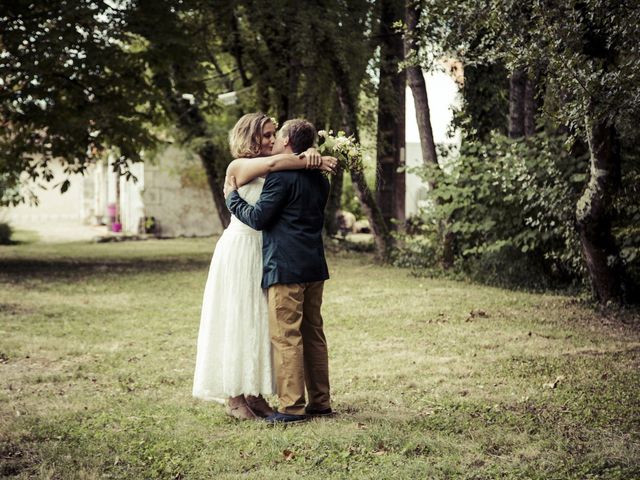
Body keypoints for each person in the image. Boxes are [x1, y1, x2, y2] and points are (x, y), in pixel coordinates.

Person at [192, 113, 336, 420]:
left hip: (269, 253)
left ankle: (254, 394)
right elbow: (273, 166)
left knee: (260, 324)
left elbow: (278, 169)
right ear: (248, 137)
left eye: (274, 135)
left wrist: (310, 154)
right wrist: (311, 157)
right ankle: (235, 396)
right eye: (265, 135)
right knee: (240, 319)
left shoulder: (284, 168)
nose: (271, 140)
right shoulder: (241, 166)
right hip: (241, 250)